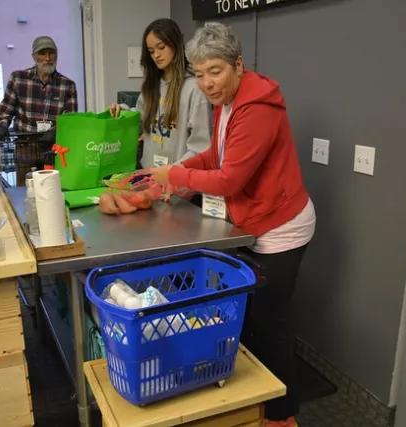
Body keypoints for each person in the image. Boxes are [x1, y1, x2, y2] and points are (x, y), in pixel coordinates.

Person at [150, 22, 316, 427]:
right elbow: (216, 156)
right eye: (199, 73)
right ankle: (254, 406)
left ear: (238, 65)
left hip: (282, 227)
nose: (207, 83)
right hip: (254, 224)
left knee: (269, 324)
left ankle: (282, 417)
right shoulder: (229, 100)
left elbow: (229, 179)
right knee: (249, 319)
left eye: (216, 72)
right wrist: (182, 169)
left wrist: (174, 176)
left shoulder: (257, 107)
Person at [109, 18, 211, 169]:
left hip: (179, 185)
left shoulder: (194, 88)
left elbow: (200, 147)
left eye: (161, 47)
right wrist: (121, 112)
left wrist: (173, 173)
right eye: (151, 51)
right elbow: (139, 123)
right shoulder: (152, 86)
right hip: (150, 178)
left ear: (175, 45)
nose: (156, 55)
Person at [0, 36, 78, 139]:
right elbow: (6, 111)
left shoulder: (68, 85)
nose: (47, 59)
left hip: (54, 148)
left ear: (56, 55)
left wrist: (55, 132)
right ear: (34, 56)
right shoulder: (18, 78)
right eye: (42, 53)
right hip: (24, 147)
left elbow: (69, 119)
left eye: (51, 53)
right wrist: (2, 126)